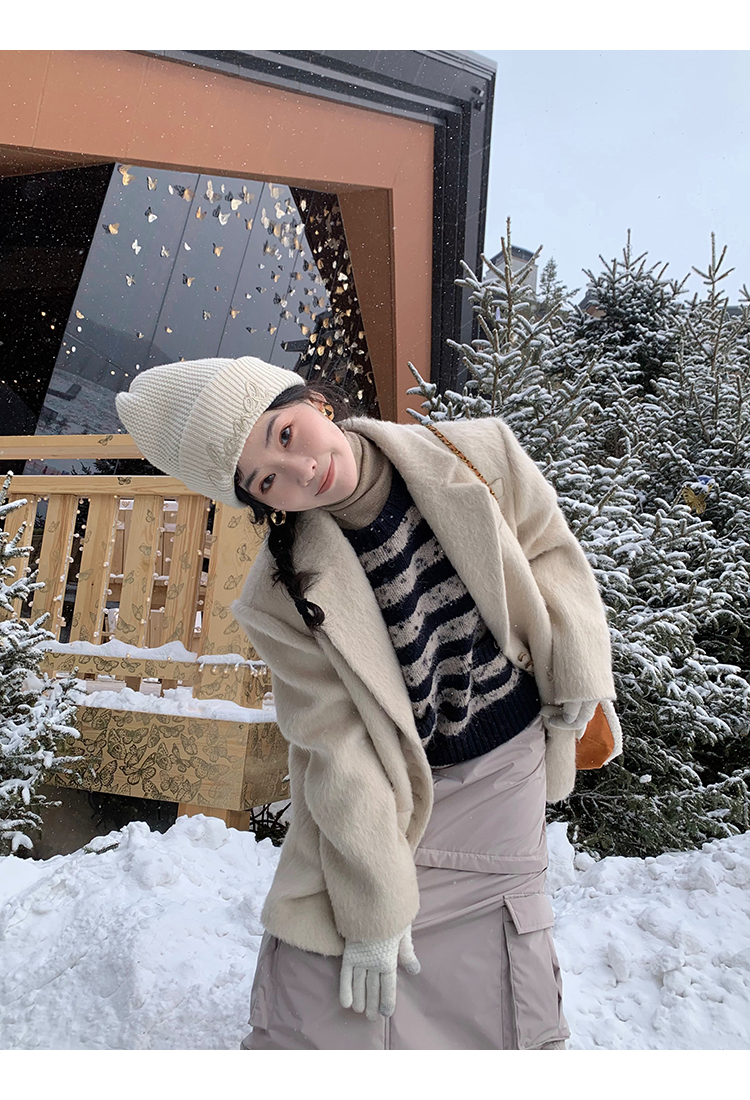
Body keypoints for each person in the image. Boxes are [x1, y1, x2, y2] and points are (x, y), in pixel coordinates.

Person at [116, 354, 621, 1050]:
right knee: (319, 973)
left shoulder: (477, 452)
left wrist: (578, 670)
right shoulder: (280, 595)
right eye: (265, 480)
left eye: (285, 434)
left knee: (497, 973)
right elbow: (337, 743)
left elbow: (549, 552)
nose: (299, 470)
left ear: (315, 402)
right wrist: (375, 910)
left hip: (505, 767)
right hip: (391, 788)